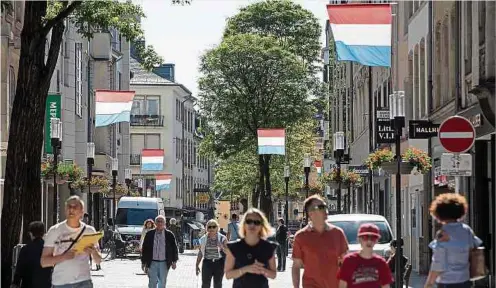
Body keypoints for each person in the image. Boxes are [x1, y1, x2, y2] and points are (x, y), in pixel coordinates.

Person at [41, 195, 101, 288]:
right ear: (65, 210)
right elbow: (44, 262)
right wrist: (63, 257)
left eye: (75, 207)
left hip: (84, 282)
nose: (71, 209)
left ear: (81, 212)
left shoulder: (89, 231)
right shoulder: (54, 230)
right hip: (61, 283)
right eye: (69, 206)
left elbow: (98, 261)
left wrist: (93, 252)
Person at [424, 193, 482, 288]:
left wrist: (429, 283)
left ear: (439, 213)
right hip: (465, 280)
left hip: (447, 281)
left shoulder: (442, 233)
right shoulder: (467, 230)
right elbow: (473, 250)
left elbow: (438, 261)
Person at [292, 194, 349, 288]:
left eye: (325, 206)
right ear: (310, 213)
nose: (326, 210)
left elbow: (345, 263)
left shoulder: (337, 233)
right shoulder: (301, 236)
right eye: (321, 207)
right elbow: (296, 266)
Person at [224, 208, 277, 287]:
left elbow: (273, 275)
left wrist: (262, 270)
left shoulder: (268, 247)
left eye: (257, 222)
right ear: (244, 224)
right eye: (249, 221)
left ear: (262, 225)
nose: (252, 225)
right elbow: (228, 275)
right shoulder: (234, 247)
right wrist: (246, 269)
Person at [337, 223, 393, 288]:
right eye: (365, 237)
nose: (369, 241)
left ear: (377, 240)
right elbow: (342, 285)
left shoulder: (381, 263)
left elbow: (385, 286)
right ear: (359, 239)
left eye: (373, 238)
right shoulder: (349, 260)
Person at [141, 215, 179, 288]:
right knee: (152, 282)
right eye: (158, 221)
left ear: (165, 223)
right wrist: (143, 262)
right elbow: (145, 249)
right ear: (155, 223)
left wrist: (174, 261)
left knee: (162, 282)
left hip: (164, 263)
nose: (160, 223)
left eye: (162, 221)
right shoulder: (149, 234)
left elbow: (174, 248)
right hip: (152, 262)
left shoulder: (169, 234)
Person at [11, 221, 52, 288]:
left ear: (31, 233)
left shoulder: (26, 249)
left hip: (28, 284)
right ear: (43, 233)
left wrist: (15, 283)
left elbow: (20, 269)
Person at [196, 219, 228, 288]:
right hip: (207, 263)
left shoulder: (222, 238)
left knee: (218, 285)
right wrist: (197, 265)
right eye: (209, 227)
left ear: (217, 228)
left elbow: (228, 251)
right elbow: (200, 252)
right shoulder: (203, 239)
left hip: (219, 263)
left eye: (214, 226)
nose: (211, 228)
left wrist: (222, 246)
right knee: (205, 285)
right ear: (207, 228)